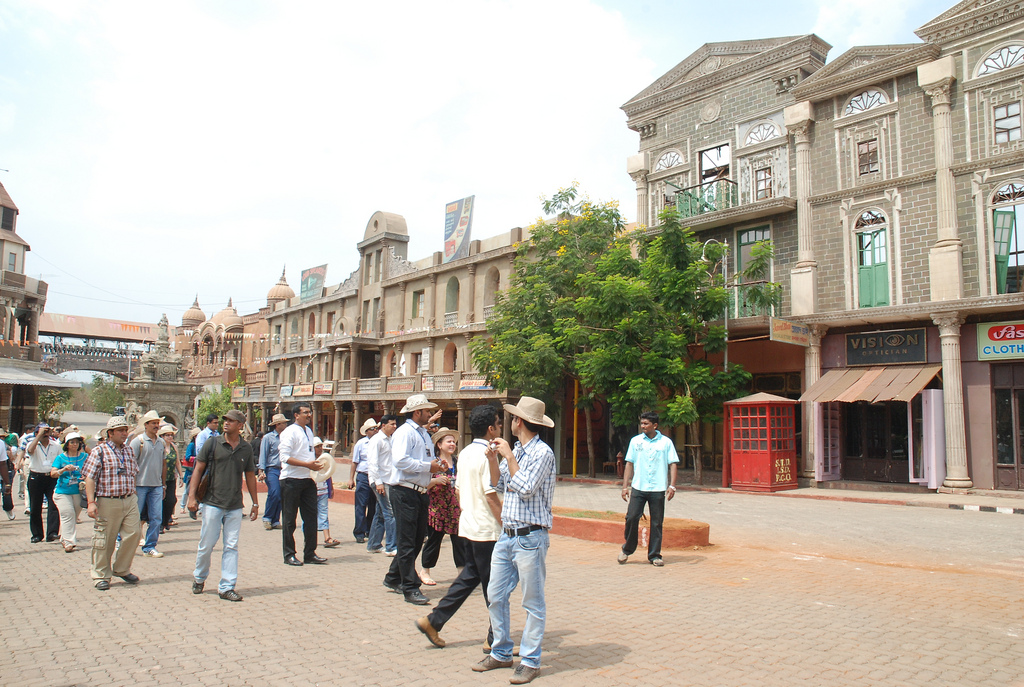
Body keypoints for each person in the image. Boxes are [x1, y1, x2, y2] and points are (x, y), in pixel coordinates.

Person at [474, 397, 556, 685]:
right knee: (495, 596)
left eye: (512, 418)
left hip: (530, 537)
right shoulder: (518, 449)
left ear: (519, 421)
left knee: (532, 602)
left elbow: (525, 488)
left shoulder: (542, 453)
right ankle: (501, 652)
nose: (507, 423)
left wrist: (508, 456)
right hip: (507, 536)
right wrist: (494, 460)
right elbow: (499, 484)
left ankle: (531, 660)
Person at [416, 405, 503, 650]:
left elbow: (458, 489)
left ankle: (433, 621)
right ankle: (495, 636)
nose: (499, 427)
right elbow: (491, 495)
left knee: (470, 577)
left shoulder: (464, 454)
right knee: (494, 586)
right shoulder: (488, 454)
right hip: (487, 528)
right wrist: (504, 524)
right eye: (497, 423)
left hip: (469, 525)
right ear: (490, 428)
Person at [188, 409, 259, 602]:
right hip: (212, 502)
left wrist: (255, 502)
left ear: (240, 426)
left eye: (231, 421)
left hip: (235, 505)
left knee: (231, 546)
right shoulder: (213, 443)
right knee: (207, 545)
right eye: (225, 420)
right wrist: (191, 497)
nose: (226, 423)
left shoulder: (245, 448)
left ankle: (227, 586)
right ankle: (199, 577)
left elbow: (250, 476)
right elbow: (198, 470)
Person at [384, 394, 445, 606]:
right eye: (427, 411)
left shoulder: (423, 434)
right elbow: (400, 461)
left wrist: (435, 465)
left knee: (417, 538)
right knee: (408, 540)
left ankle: (393, 577)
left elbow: (424, 460)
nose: (430, 414)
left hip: (419, 491)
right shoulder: (404, 433)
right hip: (404, 490)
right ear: (417, 412)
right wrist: (429, 467)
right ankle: (410, 587)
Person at [82, 416, 142, 591]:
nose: (124, 434)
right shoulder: (99, 451)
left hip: (129, 498)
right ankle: (100, 574)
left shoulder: (128, 451)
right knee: (105, 539)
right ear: (110, 433)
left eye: (125, 430)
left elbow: (133, 473)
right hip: (107, 500)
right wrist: (91, 502)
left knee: (134, 533)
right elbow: (90, 478)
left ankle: (121, 568)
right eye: (120, 431)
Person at [618, 411, 678, 567]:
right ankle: (627, 549)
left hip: (658, 489)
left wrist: (672, 485)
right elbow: (629, 463)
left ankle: (655, 555)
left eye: (646, 423)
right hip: (638, 487)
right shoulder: (635, 441)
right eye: (642, 423)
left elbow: (673, 463)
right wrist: (625, 486)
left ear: (655, 425)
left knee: (657, 522)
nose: (642, 426)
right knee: (631, 517)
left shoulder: (666, 443)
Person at [279, 402, 326, 566]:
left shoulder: (308, 431)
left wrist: (315, 465)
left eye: (309, 412)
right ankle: (289, 554)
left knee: (311, 518)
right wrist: (307, 465)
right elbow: (284, 457)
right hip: (291, 480)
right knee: (290, 520)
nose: (308, 415)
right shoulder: (289, 432)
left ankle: (310, 553)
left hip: (307, 479)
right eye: (305, 412)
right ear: (296, 415)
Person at [420, 427, 465, 586]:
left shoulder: (458, 462)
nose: (452, 444)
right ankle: (425, 570)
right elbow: (423, 484)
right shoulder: (433, 463)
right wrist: (436, 481)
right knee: (434, 540)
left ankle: (461, 571)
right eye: (448, 441)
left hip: (455, 508)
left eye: (453, 441)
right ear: (439, 445)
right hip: (436, 508)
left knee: (459, 541)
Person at [130, 410, 168, 558]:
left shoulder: (161, 442)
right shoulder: (137, 441)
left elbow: (163, 464)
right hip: (139, 485)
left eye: (157, 423)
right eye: (153, 423)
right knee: (134, 517)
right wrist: (131, 485)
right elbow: (131, 464)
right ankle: (123, 541)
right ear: (146, 425)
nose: (156, 426)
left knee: (156, 517)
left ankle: (150, 546)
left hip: (156, 486)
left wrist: (163, 484)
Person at [49, 432, 89, 552]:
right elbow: (53, 473)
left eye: (77, 442)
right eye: (72, 442)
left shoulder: (85, 457)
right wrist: (63, 469)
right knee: (68, 514)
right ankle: (69, 542)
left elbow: (91, 470)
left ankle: (64, 536)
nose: (74, 445)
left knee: (73, 516)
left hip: (78, 491)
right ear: (67, 444)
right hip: (62, 491)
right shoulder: (61, 458)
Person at [366, 414, 398, 555]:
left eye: (395, 424)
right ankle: (391, 546)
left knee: (380, 513)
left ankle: (374, 543)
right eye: (392, 424)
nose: (394, 427)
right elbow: (373, 463)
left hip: (389, 479)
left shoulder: (391, 440)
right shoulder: (377, 440)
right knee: (390, 513)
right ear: (383, 425)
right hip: (381, 481)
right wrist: (378, 482)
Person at [25, 422, 61, 543]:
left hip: (51, 477)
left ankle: (52, 532)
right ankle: (37, 534)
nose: (45, 434)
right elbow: (30, 451)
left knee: (54, 504)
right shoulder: (32, 444)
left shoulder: (55, 445)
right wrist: (38, 436)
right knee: (35, 506)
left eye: (46, 432)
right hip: (36, 477)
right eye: (42, 432)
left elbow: (60, 460)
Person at [348, 418, 378, 543]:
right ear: (366, 431)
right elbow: (355, 462)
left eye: (376, 428)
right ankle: (359, 532)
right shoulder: (360, 444)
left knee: (374, 506)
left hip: (376, 477)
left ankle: (370, 530)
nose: (375, 430)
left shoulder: (379, 442)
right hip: (363, 476)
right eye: (372, 429)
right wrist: (351, 478)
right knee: (361, 505)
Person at [258, 414, 289, 530]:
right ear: (277, 425)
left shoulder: (286, 437)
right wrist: (261, 470)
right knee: (274, 492)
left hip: (284, 469)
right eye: (283, 423)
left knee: (282, 495)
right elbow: (263, 455)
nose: (286, 425)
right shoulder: (268, 438)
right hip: (272, 469)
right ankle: (267, 517)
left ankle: (276, 519)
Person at [313, 438, 340, 547]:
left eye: (321, 446)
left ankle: (327, 537)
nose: (320, 449)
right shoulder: (308, 460)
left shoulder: (325, 460)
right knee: (310, 515)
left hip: (322, 490)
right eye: (317, 447)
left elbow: (328, 474)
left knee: (324, 513)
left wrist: (330, 488)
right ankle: (310, 538)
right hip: (311, 491)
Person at [159, 425, 182, 534]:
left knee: (172, 500)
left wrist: (181, 476)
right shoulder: (159, 446)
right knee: (161, 501)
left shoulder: (174, 447)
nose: (169, 437)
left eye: (171, 435)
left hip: (171, 477)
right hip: (160, 478)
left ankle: (165, 520)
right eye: (167, 435)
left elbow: (177, 462)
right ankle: (160, 524)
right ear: (162, 436)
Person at [180, 428, 200, 513]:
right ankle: (182, 506)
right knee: (187, 490)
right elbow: (188, 457)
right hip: (191, 470)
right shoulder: (192, 445)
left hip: (198, 470)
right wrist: (197, 459)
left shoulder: (201, 445)